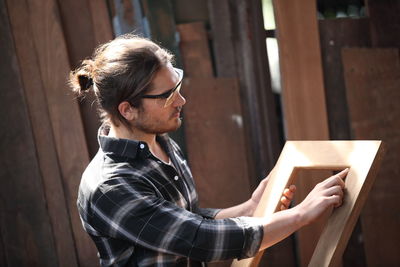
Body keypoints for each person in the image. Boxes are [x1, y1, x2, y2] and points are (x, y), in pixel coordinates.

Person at [70, 34, 347, 267]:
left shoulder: (160, 143)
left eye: (176, 86)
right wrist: (302, 214)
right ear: (127, 110)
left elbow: (184, 219)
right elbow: (199, 239)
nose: (181, 100)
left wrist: (249, 209)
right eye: (166, 96)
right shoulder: (110, 187)